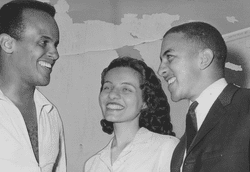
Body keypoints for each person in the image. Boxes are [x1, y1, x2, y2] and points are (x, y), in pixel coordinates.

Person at [158, 21, 250, 172]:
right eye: (161, 61)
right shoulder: (180, 149)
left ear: (204, 59)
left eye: (170, 57)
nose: (160, 70)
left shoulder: (247, 106)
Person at [0, 0, 66, 171]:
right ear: (8, 43)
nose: (55, 54)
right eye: (44, 42)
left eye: (55, 44)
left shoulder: (50, 114)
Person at [84, 56, 179, 172]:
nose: (112, 94)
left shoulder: (166, 148)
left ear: (145, 101)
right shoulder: (93, 164)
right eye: (107, 87)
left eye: (126, 89)